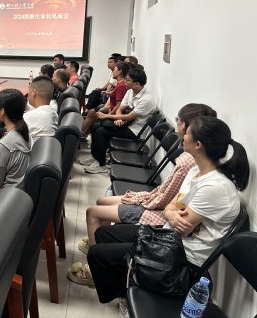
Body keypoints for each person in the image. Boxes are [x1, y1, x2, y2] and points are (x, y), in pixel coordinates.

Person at [79, 116, 250, 314]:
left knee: (97, 255)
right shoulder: (196, 171)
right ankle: (125, 285)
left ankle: (124, 293)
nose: (182, 136)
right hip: (169, 238)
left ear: (198, 145)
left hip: (182, 259)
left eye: (187, 133)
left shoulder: (216, 187)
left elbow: (181, 227)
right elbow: (172, 206)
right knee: (103, 234)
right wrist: (170, 212)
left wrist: (171, 213)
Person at [77, 104, 217, 252]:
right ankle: (98, 240)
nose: (176, 122)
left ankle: (94, 252)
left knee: (92, 212)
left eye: (178, 119)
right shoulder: (193, 158)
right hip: (157, 202)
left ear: (185, 126)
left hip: (156, 212)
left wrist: (138, 199)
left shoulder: (187, 163)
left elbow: (164, 201)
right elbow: (165, 193)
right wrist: (141, 196)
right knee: (102, 201)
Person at [82, 68, 156, 174]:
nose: (125, 82)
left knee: (101, 132)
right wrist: (119, 118)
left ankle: (101, 165)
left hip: (135, 131)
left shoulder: (146, 100)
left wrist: (106, 116)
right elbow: (120, 109)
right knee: (95, 126)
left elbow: (130, 117)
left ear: (137, 84)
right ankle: (96, 157)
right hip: (126, 124)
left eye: (128, 80)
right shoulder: (130, 92)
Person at [0, 89, 31, 189]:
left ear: (2, 111)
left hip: (5, 195)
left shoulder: (4, 145)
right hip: (18, 193)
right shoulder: (25, 132)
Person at [81, 61, 129, 136]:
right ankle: (83, 133)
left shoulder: (121, 86)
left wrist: (109, 115)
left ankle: (81, 134)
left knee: (92, 113)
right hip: (111, 110)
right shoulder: (119, 84)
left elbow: (119, 105)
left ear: (120, 71)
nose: (113, 71)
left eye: (115, 69)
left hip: (114, 112)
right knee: (92, 112)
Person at [24, 76, 58, 146]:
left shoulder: (28, 117)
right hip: (45, 150)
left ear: (34, 92)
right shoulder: (54, 113)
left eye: (29, 90)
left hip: (32, 151)